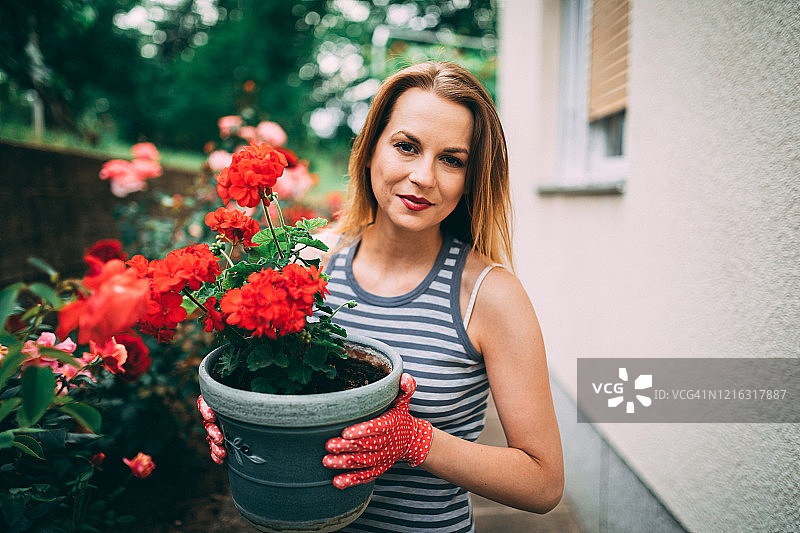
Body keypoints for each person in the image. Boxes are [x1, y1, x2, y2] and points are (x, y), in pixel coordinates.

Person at [203, 61, 564, 532]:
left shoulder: (488, 295)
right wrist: (237, 414)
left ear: (472, 177)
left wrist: (413, 439)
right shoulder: (311, 263)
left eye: (452, 159)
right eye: (406, 146)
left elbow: (543, 483)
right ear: (371, 149)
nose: (423, 176)